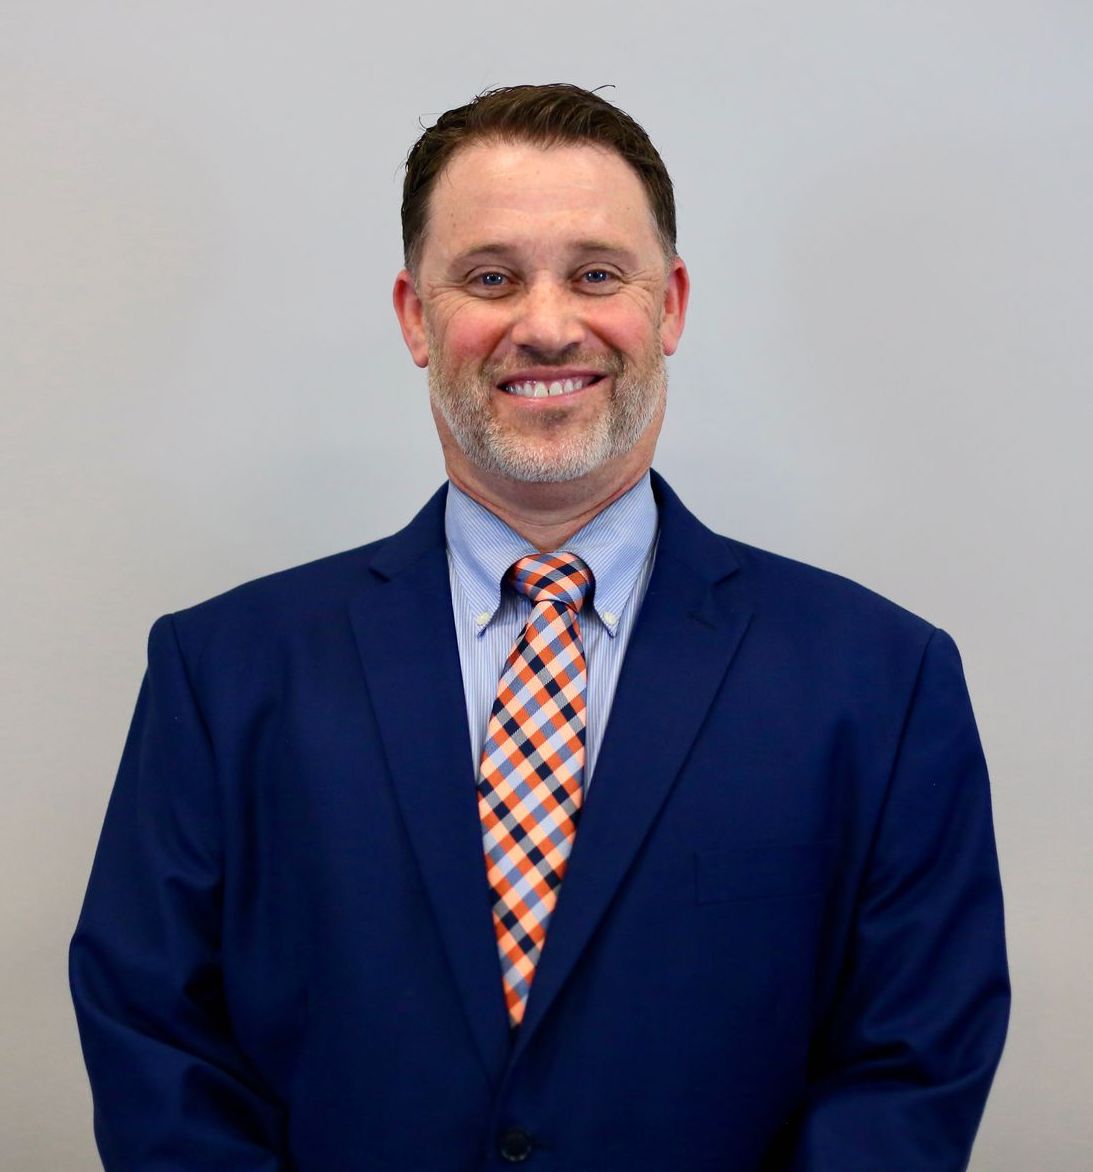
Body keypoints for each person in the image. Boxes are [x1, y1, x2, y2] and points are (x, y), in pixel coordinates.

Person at [71, 83, 1009, 1171]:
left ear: (671, 306)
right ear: (417, 317)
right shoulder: (222, 672)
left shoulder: (884, 681)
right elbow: (154, 1038)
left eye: (597, 274)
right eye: (489, 278)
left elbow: (909, 1065)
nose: (548, 322)